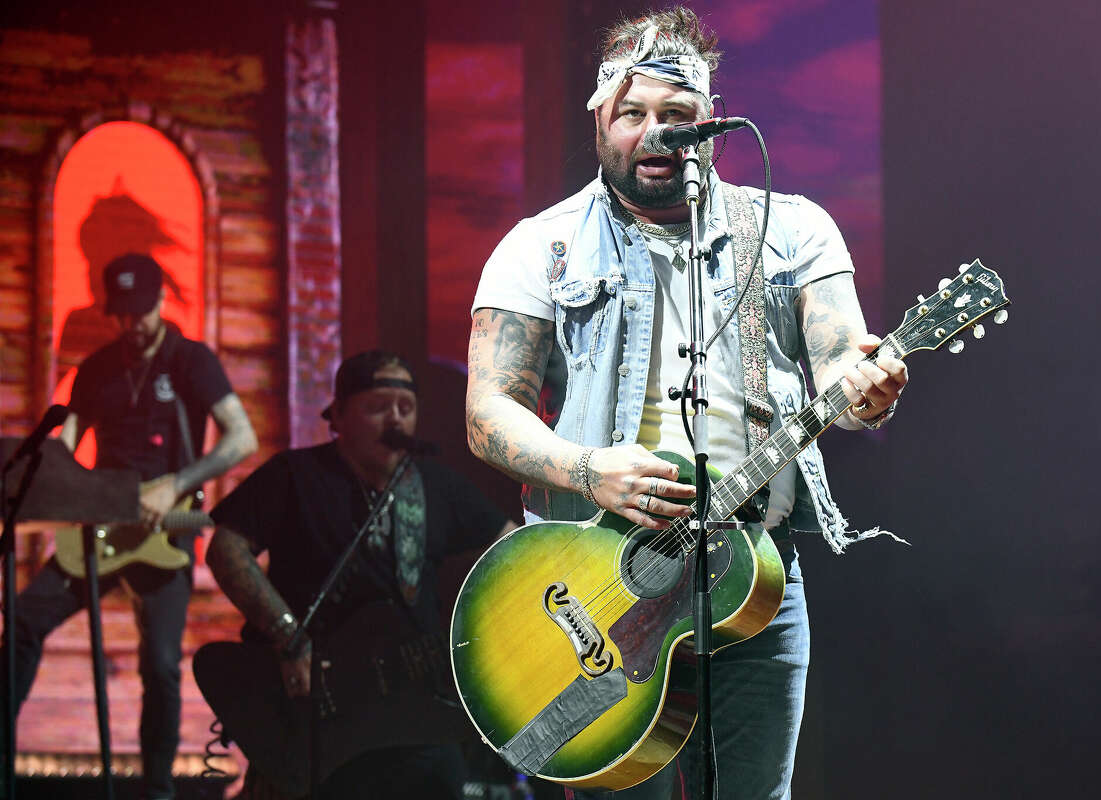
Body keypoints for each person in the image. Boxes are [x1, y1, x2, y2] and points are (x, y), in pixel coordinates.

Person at [465, 8, 908, 799]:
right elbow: (487, 411)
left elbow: (844, 365)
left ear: (713, 127)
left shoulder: (791, 229)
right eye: (632, 114)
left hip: (755, 574)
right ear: (600, 118)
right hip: (598, 576)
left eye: (677, 116)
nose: (654, 132)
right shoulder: (543, 244)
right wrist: (590, 468)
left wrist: (868, 393)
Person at [1, 253, 258, 800]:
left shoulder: (191, 360)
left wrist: (176, 483)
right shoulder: (95, 369)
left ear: (161, 301)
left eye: (141, 310)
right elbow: (64, 448)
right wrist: (53, 488)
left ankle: (158, 789)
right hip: (99, 529)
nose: (132, 323)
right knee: (22, 622)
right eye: (122, 313)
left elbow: (241, 438)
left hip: (166, 534)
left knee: (161, 665)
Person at [205, 350, 518, 800]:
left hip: (412, 706)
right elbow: (226, 548)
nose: (395, 420)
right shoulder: (295, 475)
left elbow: (512, 550)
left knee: (443, 775)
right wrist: (288, 635)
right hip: (314, 708)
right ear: (339, 416)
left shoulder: (436, 485)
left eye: (405, 409)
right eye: (377, 407)